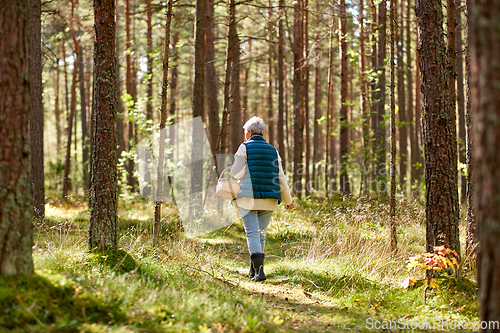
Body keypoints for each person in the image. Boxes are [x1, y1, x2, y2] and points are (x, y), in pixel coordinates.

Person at [231, 116, 294, 282]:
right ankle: (255, 271)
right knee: (261, 234)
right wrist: (288, 201)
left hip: (248, 198)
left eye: (245, 132)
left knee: (252, 233)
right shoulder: (273, 150)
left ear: (249, 132)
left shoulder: (244, 147)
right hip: (270, 199)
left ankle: (258, 272)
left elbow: (235, 173)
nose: (245, 135)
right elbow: (281, 178)